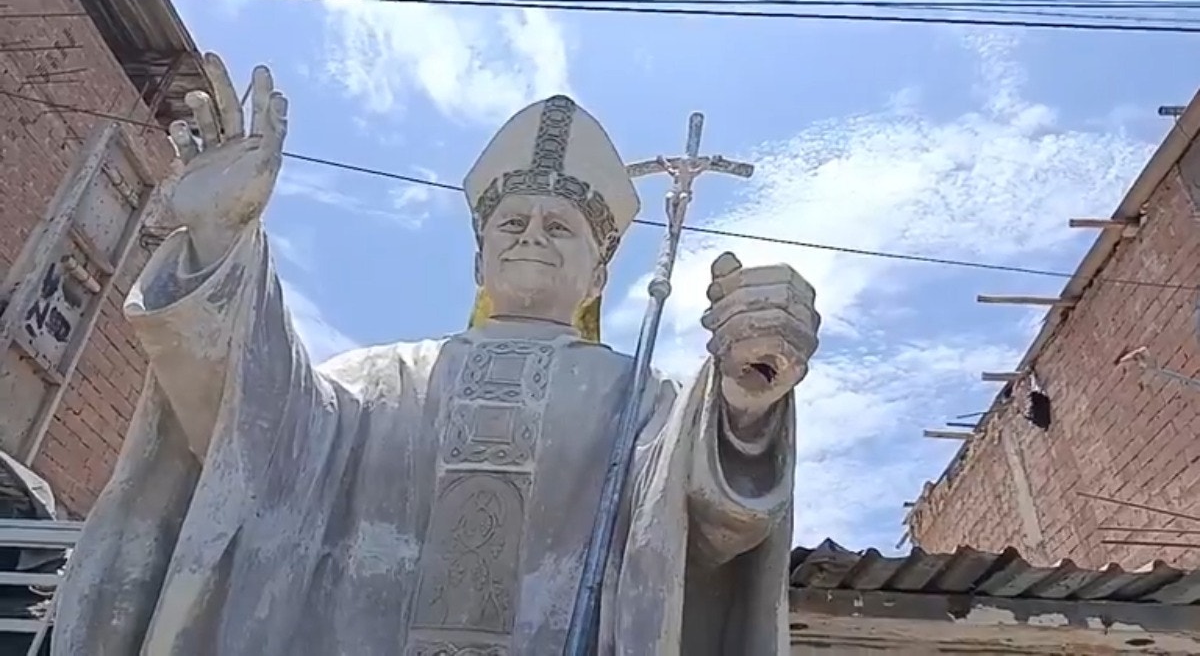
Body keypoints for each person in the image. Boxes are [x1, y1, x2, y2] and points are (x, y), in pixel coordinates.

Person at [52, 53, 820, 656]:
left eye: (559, 226)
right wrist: (222, 242)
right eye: (512, 222)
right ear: (478, 263)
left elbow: (711, 522)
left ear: (598, 274)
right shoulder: (378, 382)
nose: (530, 234)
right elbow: (254, 427)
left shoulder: (645, 407)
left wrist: (745, 399)